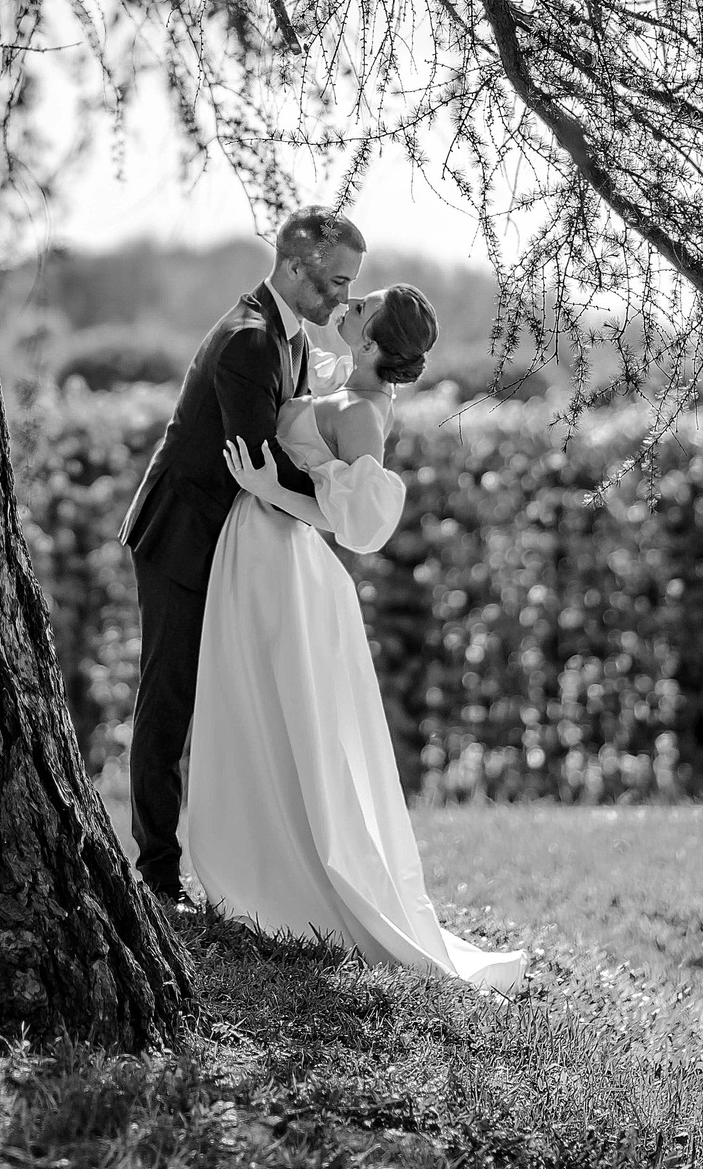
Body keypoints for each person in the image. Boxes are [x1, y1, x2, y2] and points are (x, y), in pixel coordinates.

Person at [190, 284, 526, 994]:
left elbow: (358, 526)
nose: (350, 302)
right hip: (257, 547)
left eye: (361, 307)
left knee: (285, 714)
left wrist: (268, 487)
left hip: (285, 556)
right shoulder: (340, 382)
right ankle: (249, 849)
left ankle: (288, 875)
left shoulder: (365, 413)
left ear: (372, 343)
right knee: (251, 702)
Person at [121, 208, 364, 907]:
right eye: (337, 282)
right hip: (180, 537)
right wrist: (337, 511)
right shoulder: (249, 341)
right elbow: (258, 461)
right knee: (168, 699)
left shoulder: (288, 336)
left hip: (228, 541)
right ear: (294, 268)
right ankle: (157, 876)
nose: (344, 297)